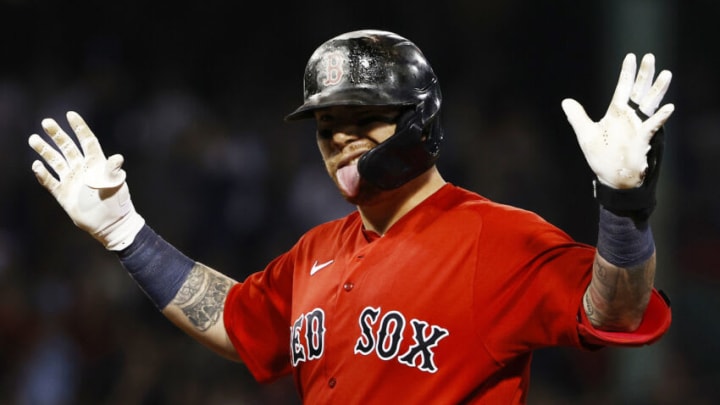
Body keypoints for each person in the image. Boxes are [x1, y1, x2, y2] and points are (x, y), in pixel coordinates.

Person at [28, 29, 674, 403]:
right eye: (328, 126)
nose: (341, 139)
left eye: (366, 119)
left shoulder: (497, 235)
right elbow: (237, 322)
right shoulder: (316, 250)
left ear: (422, 123)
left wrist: (623, 204)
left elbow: (613, 310)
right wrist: (125, 232)